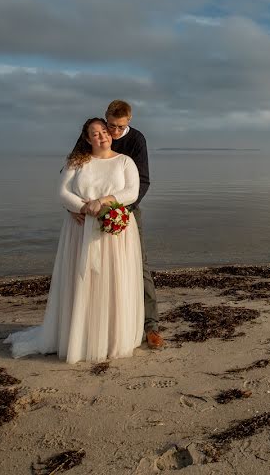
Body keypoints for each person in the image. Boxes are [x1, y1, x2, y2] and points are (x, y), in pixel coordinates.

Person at [4, 118, 144, 363]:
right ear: (87, 139)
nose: (102, 136)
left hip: (115, 232)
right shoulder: (77, 162)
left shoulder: (125, 161)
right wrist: (82, 208)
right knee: (82, 281)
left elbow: (131, 192)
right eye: (95, 133)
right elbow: (62, 193)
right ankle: (80, 337)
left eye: (104, 131)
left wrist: (103, 202)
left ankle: (111, 337)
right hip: (80, 229)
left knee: (112, 280)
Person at [103, 99, 164, 350]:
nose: (114, 133)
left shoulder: (137, 140)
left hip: (126, 209)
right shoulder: (96, 134)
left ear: (129, 121)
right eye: (110, 126)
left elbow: (144, 181)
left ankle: (151, 327)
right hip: (94, 209)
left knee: (140, 265)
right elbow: (74, 168)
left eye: (119, 127)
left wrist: (120, 211)